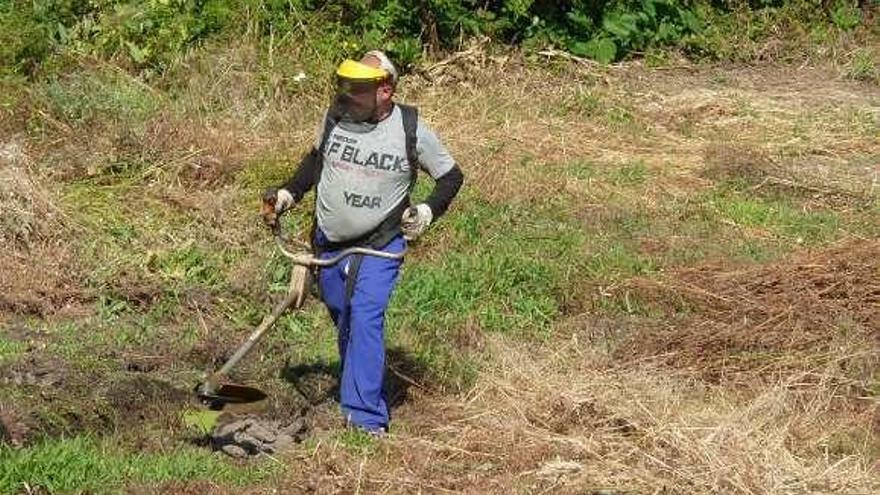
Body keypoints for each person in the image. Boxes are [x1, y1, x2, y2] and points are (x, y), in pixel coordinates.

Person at [262, 51, 464, 434]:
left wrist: (425, 212)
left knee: (366, 314)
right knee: (344, 313)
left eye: (357, 88)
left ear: (385, 90)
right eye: (345, 85)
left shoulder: (411, 129)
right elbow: (315, 162)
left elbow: (451, 177)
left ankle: (366, 419)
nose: (347, 94)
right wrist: (289, 192)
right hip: (330, 241)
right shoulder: (337, 116)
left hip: (380, 242)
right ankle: (358, 382)